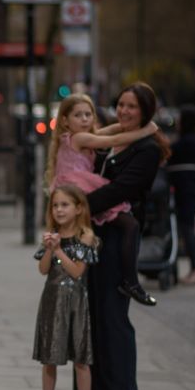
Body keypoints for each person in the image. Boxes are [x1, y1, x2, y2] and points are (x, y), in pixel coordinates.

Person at [73, 82, 169, 390]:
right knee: (90, 317)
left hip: (116, 239)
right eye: (121, 105)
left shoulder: (146, 149)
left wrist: (77, 206)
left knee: (113, 320)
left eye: (132, 107)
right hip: (92, 235)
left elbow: (122, 190)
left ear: (145, 111)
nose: (125, 111)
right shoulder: (113, 141)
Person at [45, 93, 160, 306]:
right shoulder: (79, 138)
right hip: (79, 187)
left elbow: (106, 131)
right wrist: (146, 130)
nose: (85, 119)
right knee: (129, 224)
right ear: (64, 121)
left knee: (126, 225)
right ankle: (131, 281)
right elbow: (112, 140)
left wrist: (123, 125)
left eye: (89, 114)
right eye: (78, 115)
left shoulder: (76, 135)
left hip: (75, 187)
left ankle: (127, 280)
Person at [33, 185, 101, 390]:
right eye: (55, 205)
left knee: (81, 357)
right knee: (49, 357)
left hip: (76, 304)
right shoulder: (53, 234)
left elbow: (77, 272)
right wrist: (50, 250)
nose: (59, 210)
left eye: (64, 205)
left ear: (78, 208)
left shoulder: (86, 236)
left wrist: (59, 250)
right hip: (52, 301)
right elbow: (42, 270)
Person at [168, 105, 195, 285]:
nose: (177, 122)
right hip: (188, 185)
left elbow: (169, 151)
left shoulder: (189, 140)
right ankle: (194, 268)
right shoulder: (192, 138)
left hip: (188, 186)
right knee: (185, 226)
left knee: (187, 226)